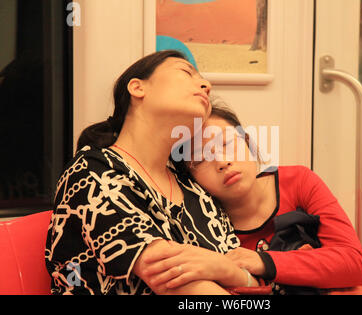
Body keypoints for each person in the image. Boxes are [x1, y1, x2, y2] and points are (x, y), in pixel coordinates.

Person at [44, 50, 261, 295]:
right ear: (137, 88)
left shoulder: (195, 191)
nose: (206, 85)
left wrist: (224, 269)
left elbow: (251, 281)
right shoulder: (93, 170)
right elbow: (169, 276)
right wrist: (225, 268)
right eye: (186, 72)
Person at [176, 99, 362, 294]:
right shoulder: (202, 228)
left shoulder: (298, 181)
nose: (222, 162)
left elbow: (353, 263)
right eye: (200, 159)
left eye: (226, 143)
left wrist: (263, 261)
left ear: (248, 142)